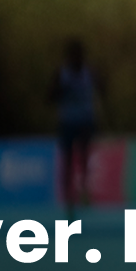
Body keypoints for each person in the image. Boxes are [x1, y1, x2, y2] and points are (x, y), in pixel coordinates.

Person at [50, 39, 102, 208]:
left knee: (84, 157)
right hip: (67, 121)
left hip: (85, 120)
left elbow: (103, 88)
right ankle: (68, 194)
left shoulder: (89, 72)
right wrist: (62, 89)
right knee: (68, 159)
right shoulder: (62, 74)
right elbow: (50, 96)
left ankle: (84, 191)